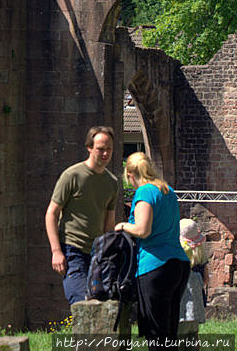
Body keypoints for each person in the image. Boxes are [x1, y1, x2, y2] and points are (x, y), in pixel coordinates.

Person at [115, 152, 190, 346]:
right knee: (169, 331)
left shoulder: (144, 192)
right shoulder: (168, 191)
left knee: (156, 333)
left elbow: (142, 229)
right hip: (178, 264)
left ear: (130, 174)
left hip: (155, 265)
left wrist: (123, 225)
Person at [45, 126, 119, 305]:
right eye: (101, 149)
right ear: (89, 147)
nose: (105, 153)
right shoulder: (72, 175)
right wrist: (56, 251)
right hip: (72, 250)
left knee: (102, 303)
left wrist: (108, 255)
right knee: (81, 302)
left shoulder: (112, 183)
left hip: (97, 253)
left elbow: (109, 224)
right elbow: (51, 214)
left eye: (109, 149)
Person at [178, 218, 208, 340]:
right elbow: (206, 281)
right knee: (193, 338)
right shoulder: (202, 260)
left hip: (180, 311)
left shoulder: (178, 262)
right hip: (196, 309)